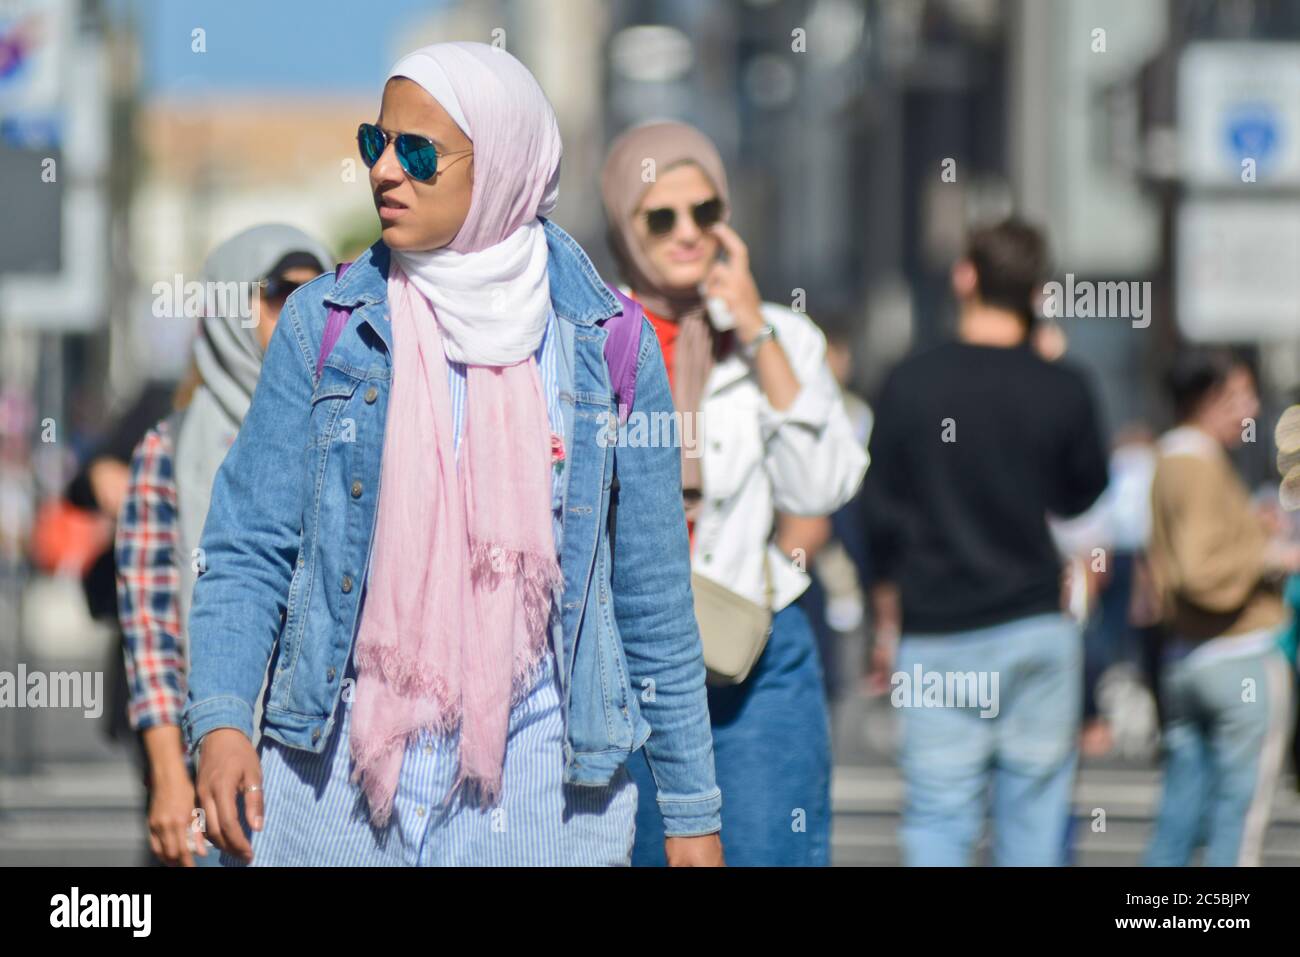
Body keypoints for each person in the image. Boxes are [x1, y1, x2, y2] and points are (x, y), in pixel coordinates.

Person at [183, 42, 722, 867]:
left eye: (420, 152)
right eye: (377, 142)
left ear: (500, 164)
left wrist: (689, 813)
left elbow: (651, 591)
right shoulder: (323, 326)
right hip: (331, 788)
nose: (386, 172)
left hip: (542, 791)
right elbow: (249, 545)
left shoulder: (609, 344)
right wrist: (222, 720)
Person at [601, 121, 868, 866]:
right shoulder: (593, 338)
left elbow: (821, 484)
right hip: (628, 662)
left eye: (706, 212)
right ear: (625, 220)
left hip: (754, 650)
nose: (688, 233)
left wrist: (752, 329)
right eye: (662, 216)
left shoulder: (783, 336)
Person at [864, 218, 1109, 866]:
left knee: (939, 820)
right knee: (1033, 823)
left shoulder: (909, 382)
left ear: (965, 275)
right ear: (1037, 290)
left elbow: (878, 516)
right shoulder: (1063, 384)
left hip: (938, 631)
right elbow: (1083, 492)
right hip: (1035, 623)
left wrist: (883, 614)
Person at [115, 225, 330, 866]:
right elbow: (150, 633)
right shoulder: (171, 448)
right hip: (210, 775)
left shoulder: (347, 425)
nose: (299, 313)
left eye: (316, 295)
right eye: (278, 294)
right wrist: (169, 778)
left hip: (323, 774)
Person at [1143, 349, 1299, 866]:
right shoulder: (1196, 463)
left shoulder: (1171, 460)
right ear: (1209, 399)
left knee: (1180, 815)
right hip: (1238, 656)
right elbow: (1199, 571)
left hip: (1187, 658)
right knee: (1238, 821)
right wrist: (1271, 556)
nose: (1251, 409)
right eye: (1240, 395)